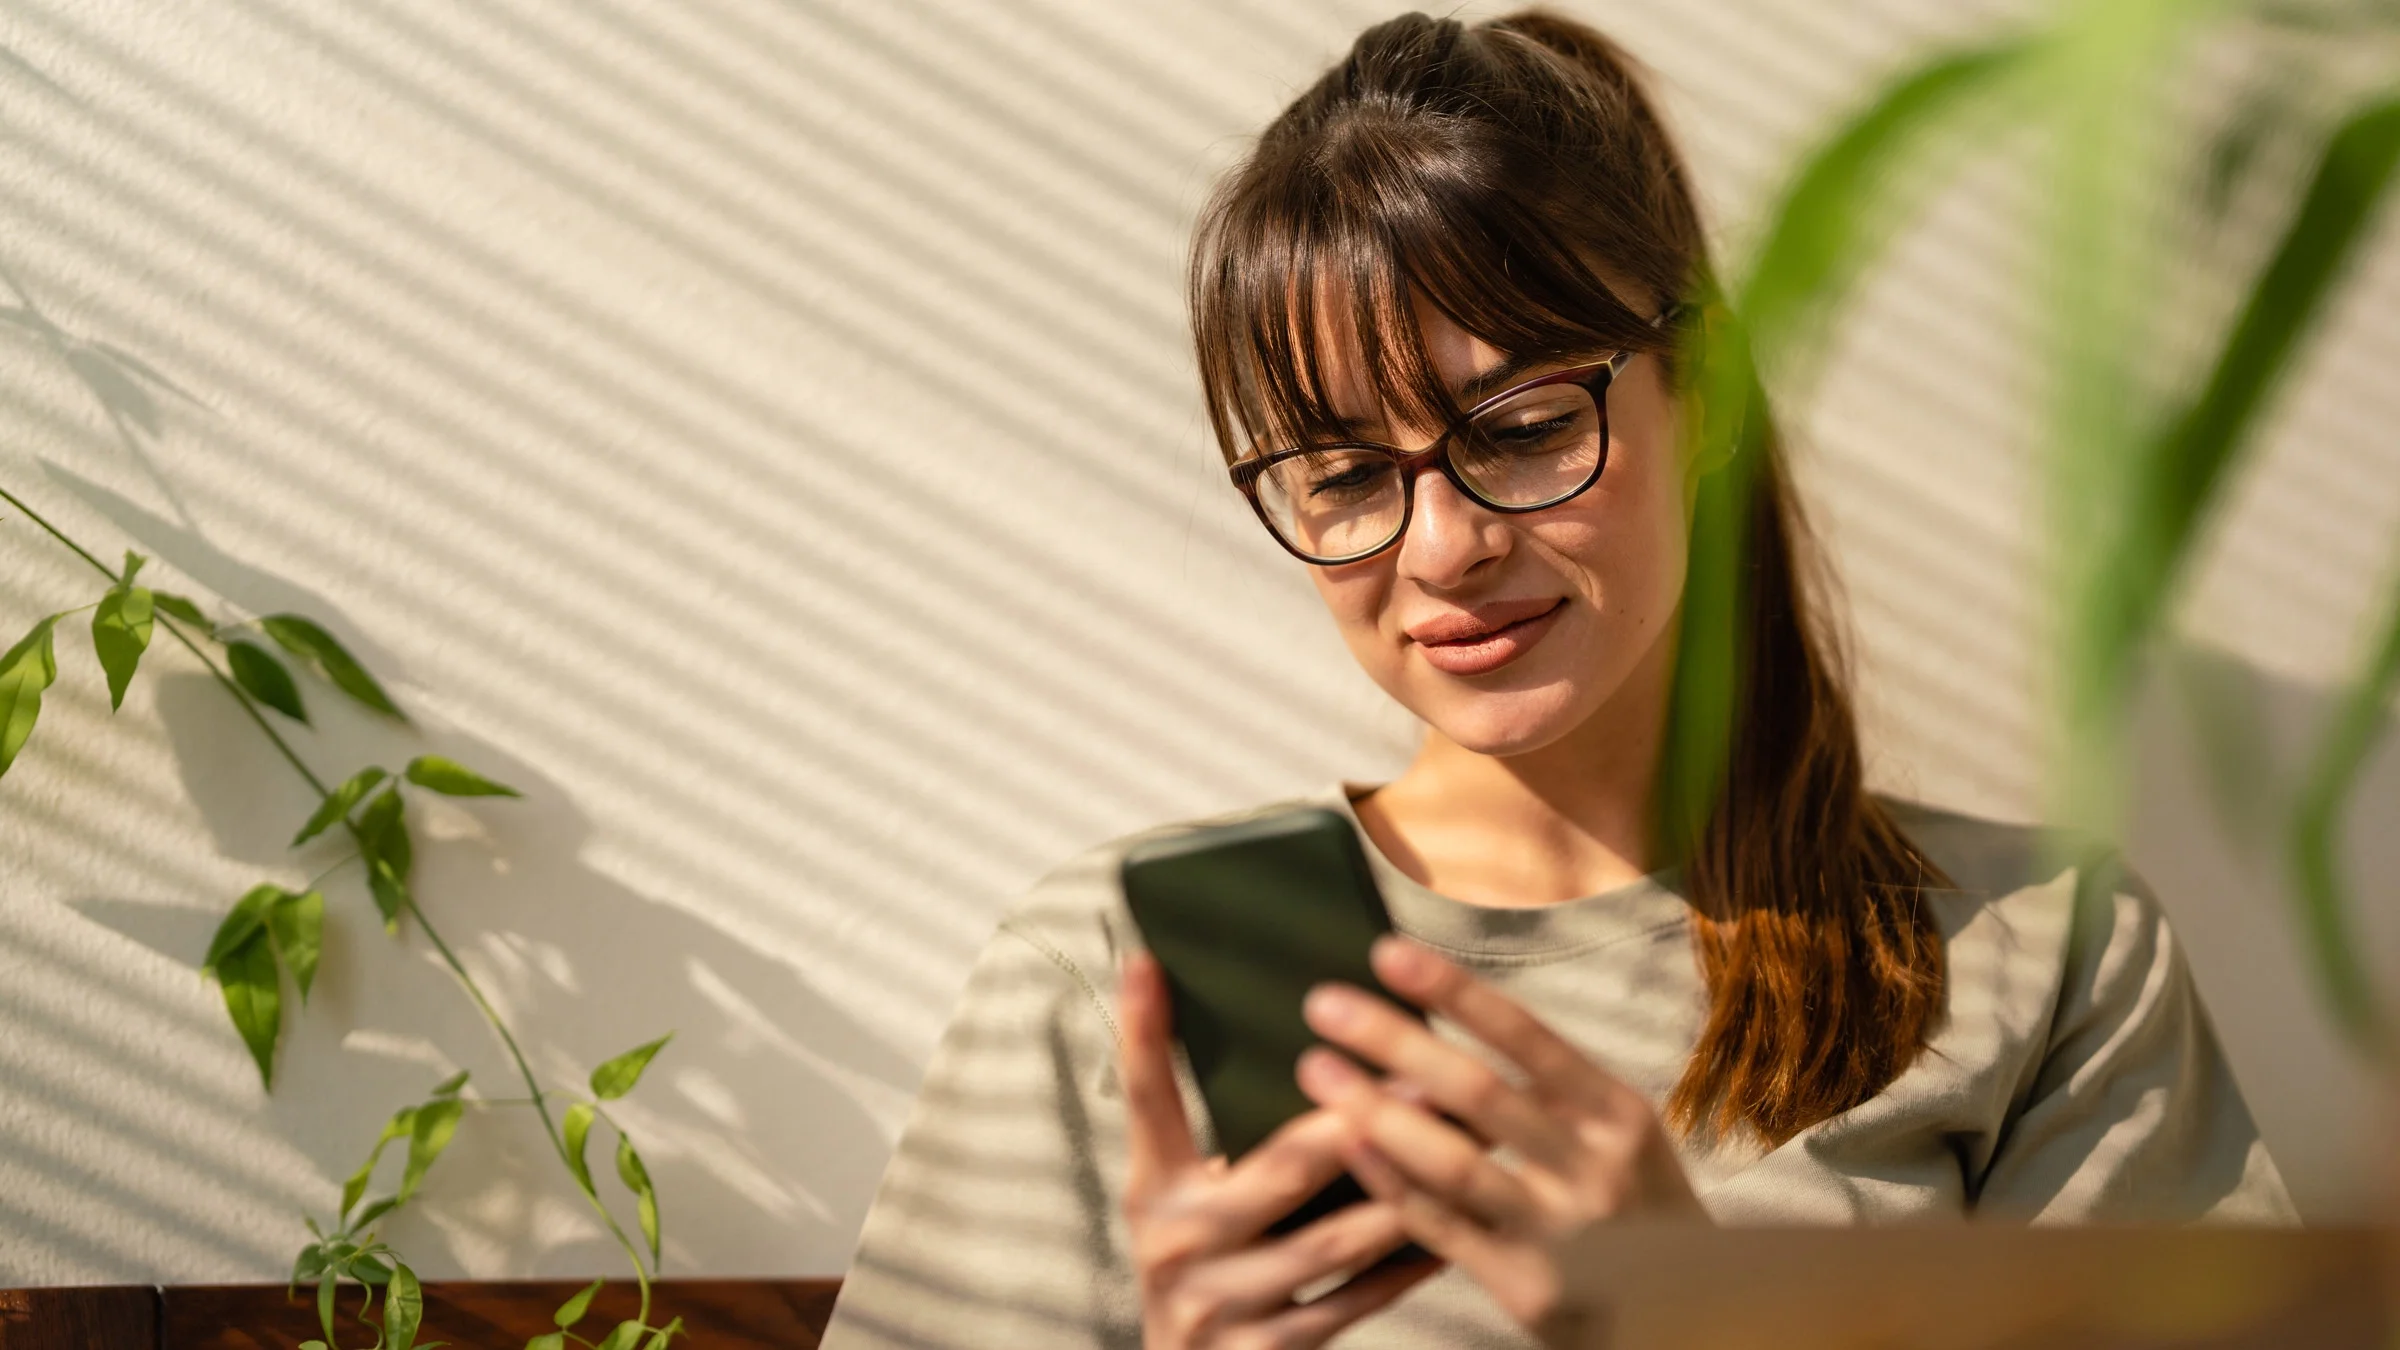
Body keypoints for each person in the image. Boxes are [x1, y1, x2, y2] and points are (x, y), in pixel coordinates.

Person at [818, 9, 2296, 1348]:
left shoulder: (2038, 957)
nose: (1446, 547)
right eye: (1339, 471)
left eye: (1521, 427)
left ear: (1702, 395)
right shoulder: (1116, 974)